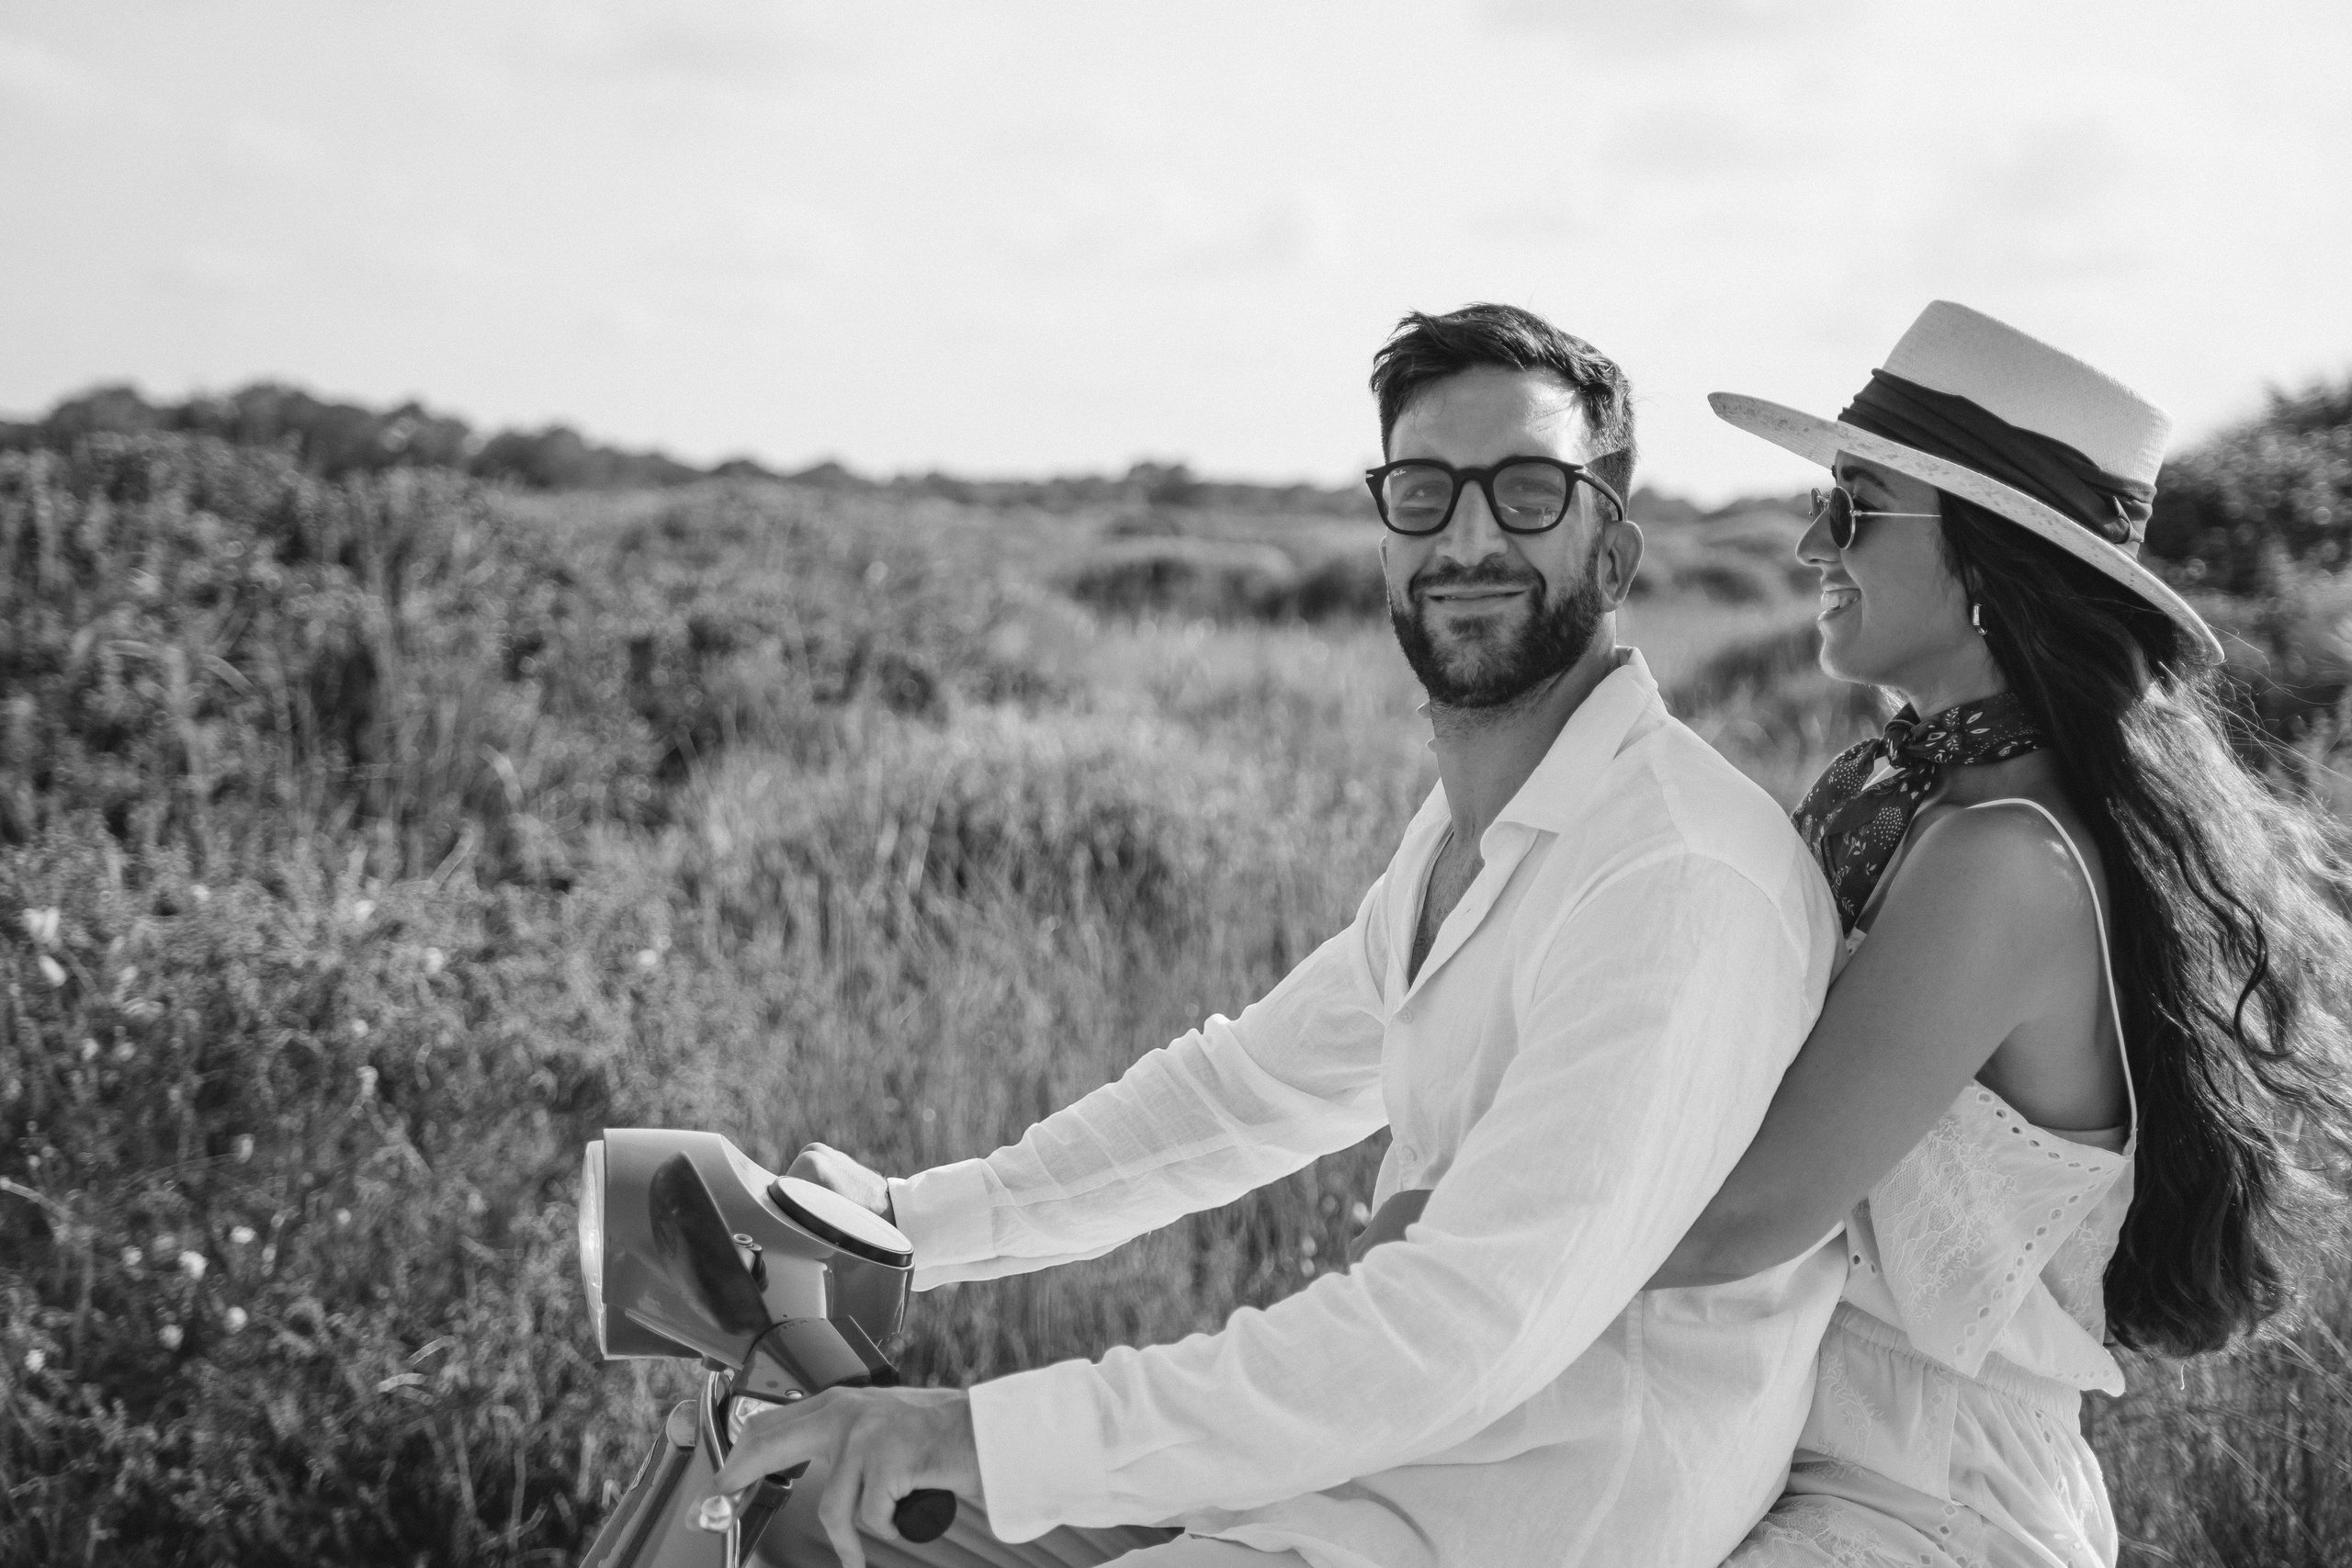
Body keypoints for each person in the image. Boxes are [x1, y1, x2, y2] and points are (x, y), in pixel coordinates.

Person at [716, 303, 1849, 1568]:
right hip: (1361, 1482)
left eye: (1528, 492)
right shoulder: (1483, 828)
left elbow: (1462, 1326)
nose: (1469, 537)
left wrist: (976, 1435)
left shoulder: (1672, 875)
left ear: (1616, 547)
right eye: (1425, 492)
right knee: (798, 1518)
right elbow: (1242, 1094)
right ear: (1382, 544)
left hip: (1519, 1518)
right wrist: (902, 1226)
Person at [1645, 301, 2352, 1567]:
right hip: (1836, 1466)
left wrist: (1463, 1237)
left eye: (1855, 505)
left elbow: (1742, 1218)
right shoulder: (1946, 811)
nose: (1812, 539)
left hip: (1919, 1505)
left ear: (1985, 561)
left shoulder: (2001, 865)